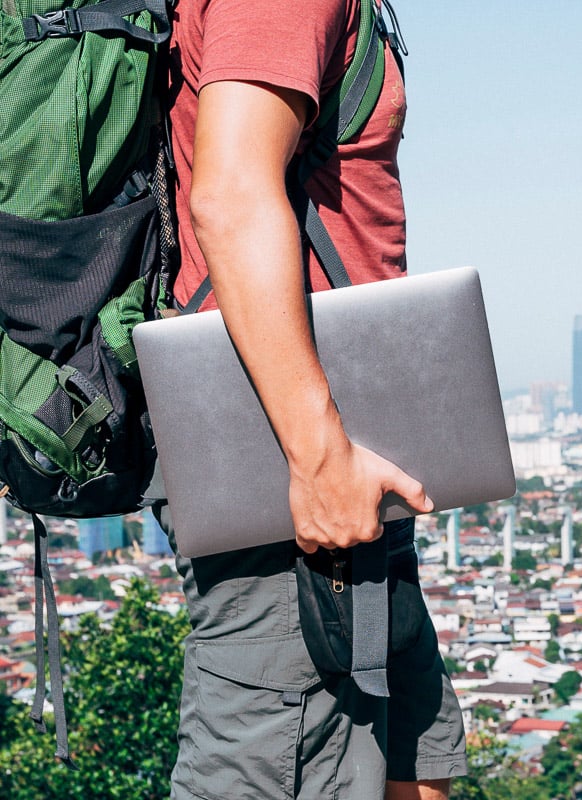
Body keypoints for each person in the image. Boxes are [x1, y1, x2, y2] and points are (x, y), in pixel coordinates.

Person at [153, 1, 469, 797]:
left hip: (343, 448)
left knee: (415, 767)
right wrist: (317, 454)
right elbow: (228, 198)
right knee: (281, 765)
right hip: (284, 454)